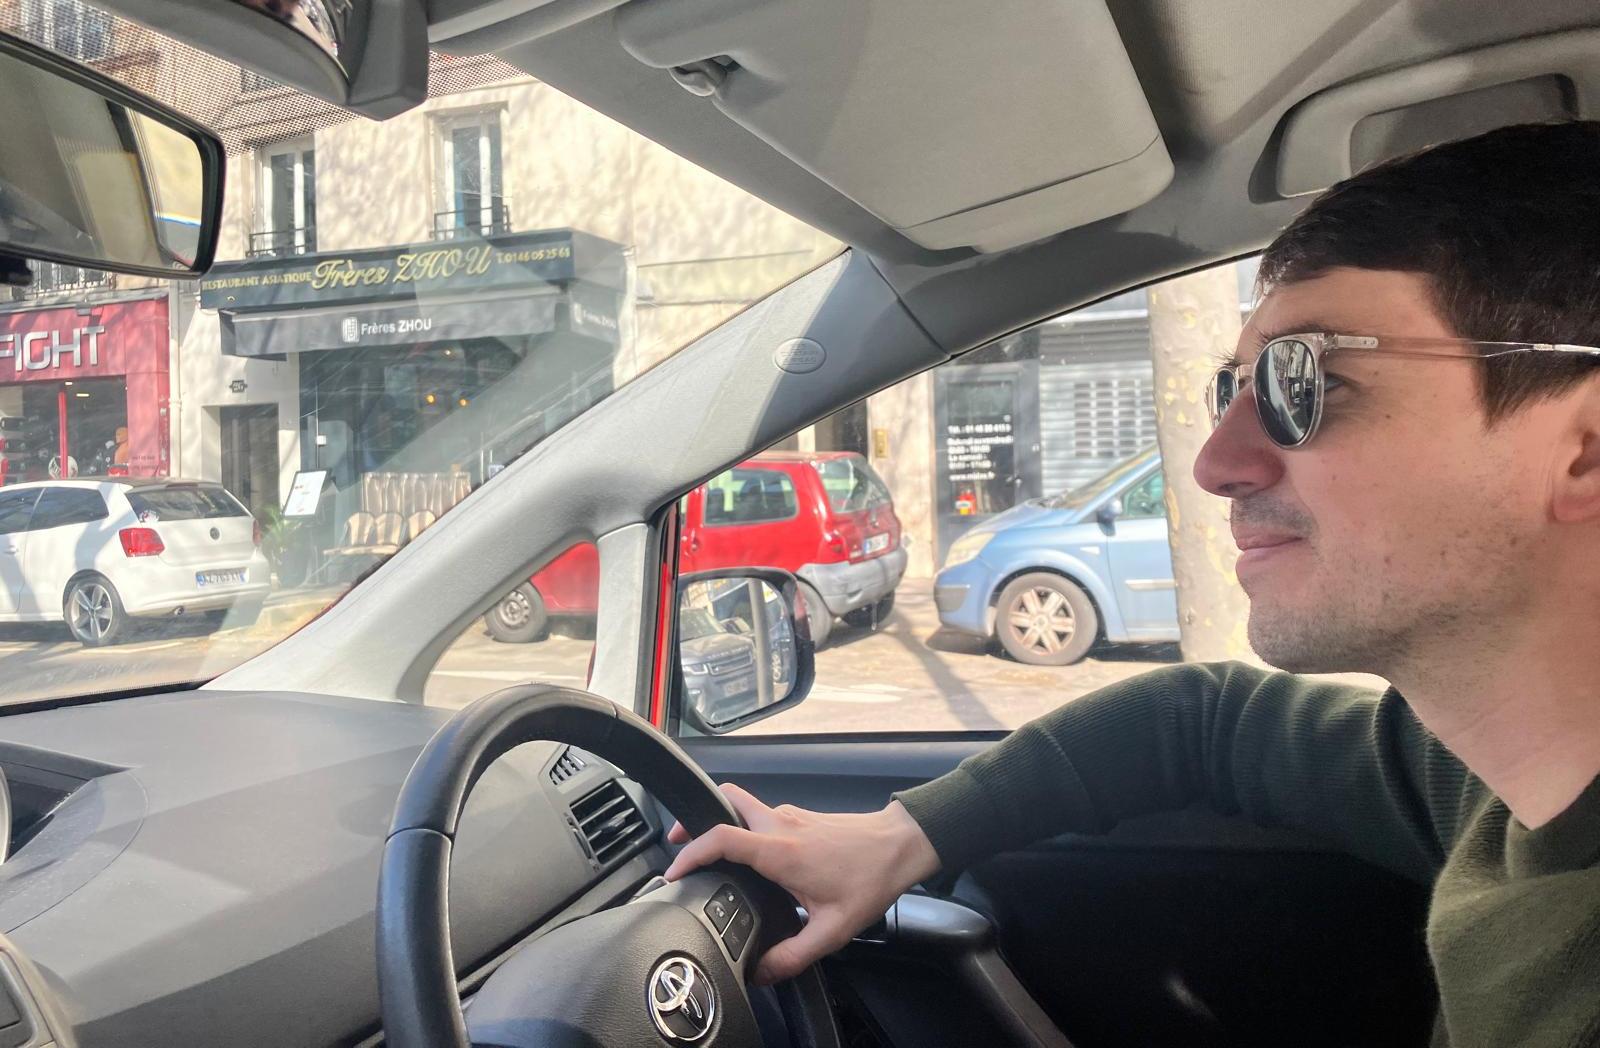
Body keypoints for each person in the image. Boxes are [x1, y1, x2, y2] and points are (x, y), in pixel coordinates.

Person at [664, 120, 1600, 1047]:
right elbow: (1206, 724)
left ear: (1585, 452)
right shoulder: (1489, 785)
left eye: (1305, 383)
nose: (1216, 463)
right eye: (1231, 388)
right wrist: (900, 839)